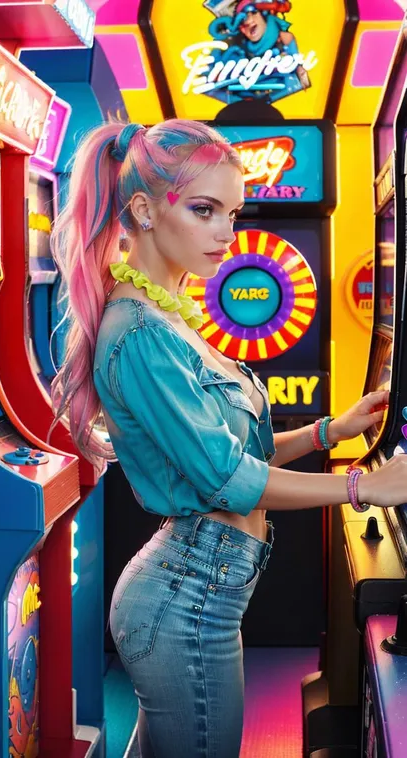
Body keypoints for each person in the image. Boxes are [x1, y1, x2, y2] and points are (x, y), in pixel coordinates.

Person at [51, 119, 407, 758]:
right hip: (182, 602)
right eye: (204, 210)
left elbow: (232, 456)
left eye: (233, 213)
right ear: (143, 211)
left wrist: (331, 430)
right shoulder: (139, 334)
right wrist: (363, 485)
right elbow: (230, 481)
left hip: (201, 592)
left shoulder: (167, 314)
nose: (226, 233)